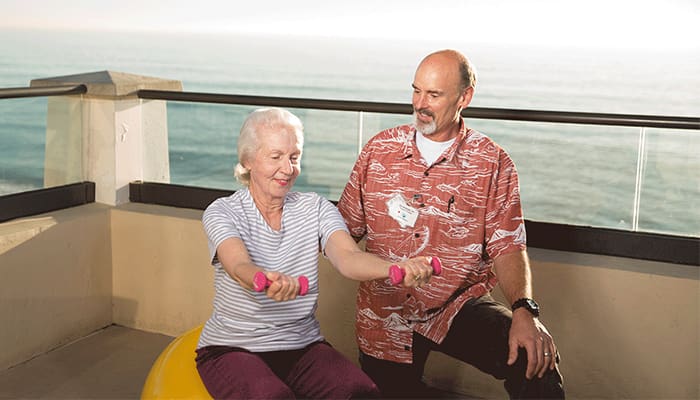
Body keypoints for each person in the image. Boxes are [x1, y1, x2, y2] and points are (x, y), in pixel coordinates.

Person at [337, 49, 565, 399]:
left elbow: (508, 245)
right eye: (416, 91)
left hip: (457, 303)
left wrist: (524, 310)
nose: (420, 104)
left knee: (536, 362)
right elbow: (342, 230)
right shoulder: (378, 150)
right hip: (386, 312)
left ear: (465, 97)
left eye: (433, 95)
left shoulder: (493, 162)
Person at [196, 107, 433, 399]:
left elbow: (348, 257)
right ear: (247, 161)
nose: (287, 168)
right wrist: (263, 279)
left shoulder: (316, 208)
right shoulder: (223, 211)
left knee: (363, 392)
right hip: (232, 348)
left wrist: (396, 268)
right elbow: (237, 264)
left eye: (294, 157)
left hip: (301, 345)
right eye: (275, 156)